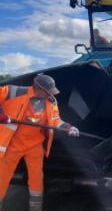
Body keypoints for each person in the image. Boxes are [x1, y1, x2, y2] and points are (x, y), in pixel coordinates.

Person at [0, 74, 79, 211]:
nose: (51, 94)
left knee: (36, 179)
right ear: (38, 88)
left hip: (35, 146)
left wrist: (68, 127)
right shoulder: (13, 92)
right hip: (13, 145)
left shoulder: (51, 101)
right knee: (2, 178)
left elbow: (55, 120)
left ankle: (36, 208)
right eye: (48, 91)